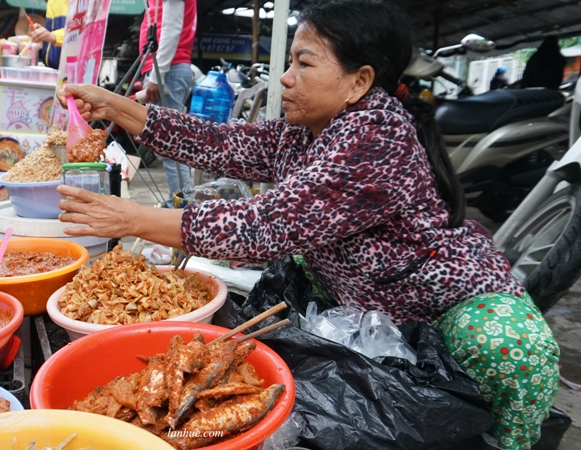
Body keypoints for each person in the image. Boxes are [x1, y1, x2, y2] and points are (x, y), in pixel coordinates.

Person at [55, 1, 559, 449]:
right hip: (356, 298)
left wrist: (130, 217)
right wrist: (118, 107)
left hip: (433, 303)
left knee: (511, 345)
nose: (286, 77)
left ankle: (502, 441)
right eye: (290, 61)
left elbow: (264, 225)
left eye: (304, 63)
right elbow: (220, 144)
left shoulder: (375, 137)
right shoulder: (307, 131)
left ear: (359, 81)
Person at [139, 0, 197, 206]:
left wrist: (156, 76)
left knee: (169, 144)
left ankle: (182, 204)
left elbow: (171, 28)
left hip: (167, 70)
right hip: (166, 69)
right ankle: (180, 200)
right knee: (167, 144)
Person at [30, 0, 68, 70]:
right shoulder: (52, 2)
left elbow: (82, 31)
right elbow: (50, 33)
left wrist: (54, 36)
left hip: (72, 70)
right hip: (52, 69)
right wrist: (42, 35)